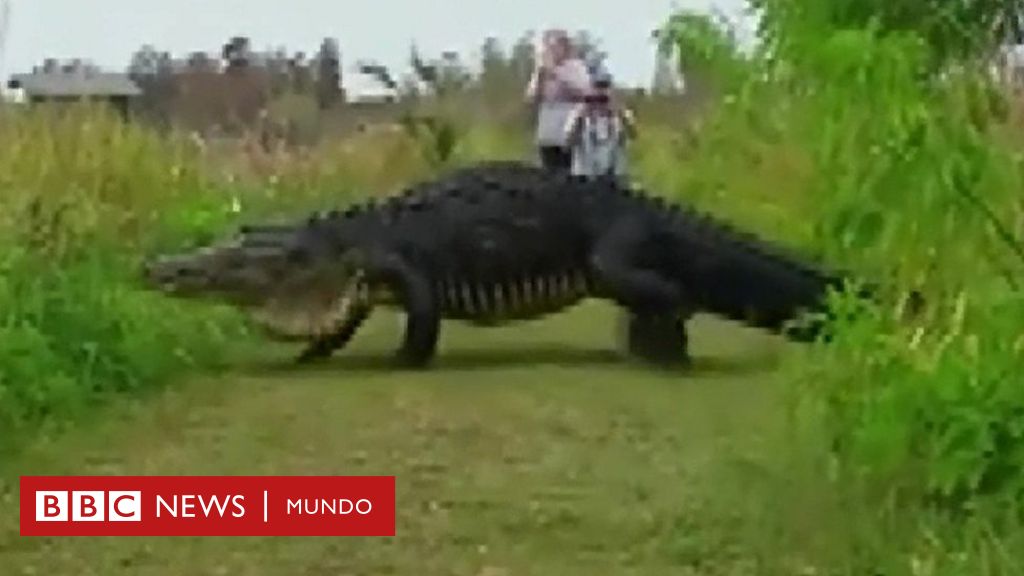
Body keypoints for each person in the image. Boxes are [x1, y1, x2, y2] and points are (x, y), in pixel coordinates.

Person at [525, 30, 592, 172]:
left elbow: (584, 92)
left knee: (568, 169)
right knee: (548, 169)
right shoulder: (541, 71)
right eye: (549, 47)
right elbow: (531, 98)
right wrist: (541, 76)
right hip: (547, 127)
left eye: (555, 46)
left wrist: (556, 73)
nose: (551, 51)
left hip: (568, 123)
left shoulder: (576, 67)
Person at [563, 70, 637, 179]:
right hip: (584, 176)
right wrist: (580, 119)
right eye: (597, 87)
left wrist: (619, 114)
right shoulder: (578, 113)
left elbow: (633, 135)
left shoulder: (621, 114)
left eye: (605, 86)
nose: (600, 92)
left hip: (614, 177)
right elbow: (567, 144)